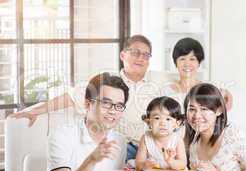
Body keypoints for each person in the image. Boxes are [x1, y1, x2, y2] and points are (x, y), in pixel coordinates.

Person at [11, 34, 159, 161]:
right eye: (135, 52)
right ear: (123, 55)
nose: (140, 58)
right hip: (117, 144)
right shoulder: (108, 82)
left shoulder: (154, 88)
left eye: (145, 55)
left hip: (148, 147)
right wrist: (36, 111)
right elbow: (71, 96)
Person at [35, 73, 129, 171]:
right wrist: (92, 160)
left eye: (119, 106)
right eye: (106, 103)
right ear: (88, 104)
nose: (113, 111)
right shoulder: (61, 135)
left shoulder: (120, 141)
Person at [161, 37, 233, 111]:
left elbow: (224, 108)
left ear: (199, 63)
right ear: (175, 63)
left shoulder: (208, 88)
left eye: (192, 59)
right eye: (182, 59)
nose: (187, 64)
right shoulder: (166, 91)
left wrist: (226, 96)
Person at [135, 96, 186, 171]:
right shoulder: (146, 138)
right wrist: (144, 165)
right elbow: (138, 163)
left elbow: (182, 164)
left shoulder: (177, 139)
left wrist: (171, 161)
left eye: (168, 119)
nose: (162, 123)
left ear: (177, 123)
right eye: (157, 118)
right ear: (149, 122)